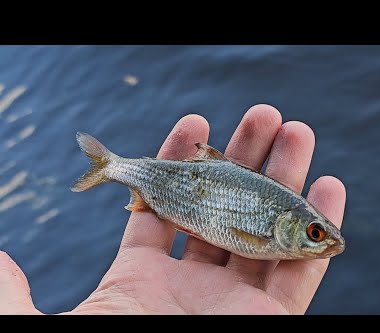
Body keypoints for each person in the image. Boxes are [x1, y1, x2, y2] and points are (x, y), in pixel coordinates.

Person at [0, 104, 346, 315]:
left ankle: (110, 166)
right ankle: (110, 166)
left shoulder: (275, 234)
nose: (322, 243)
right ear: (289, 222)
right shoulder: (264, 240)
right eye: (315, 234)